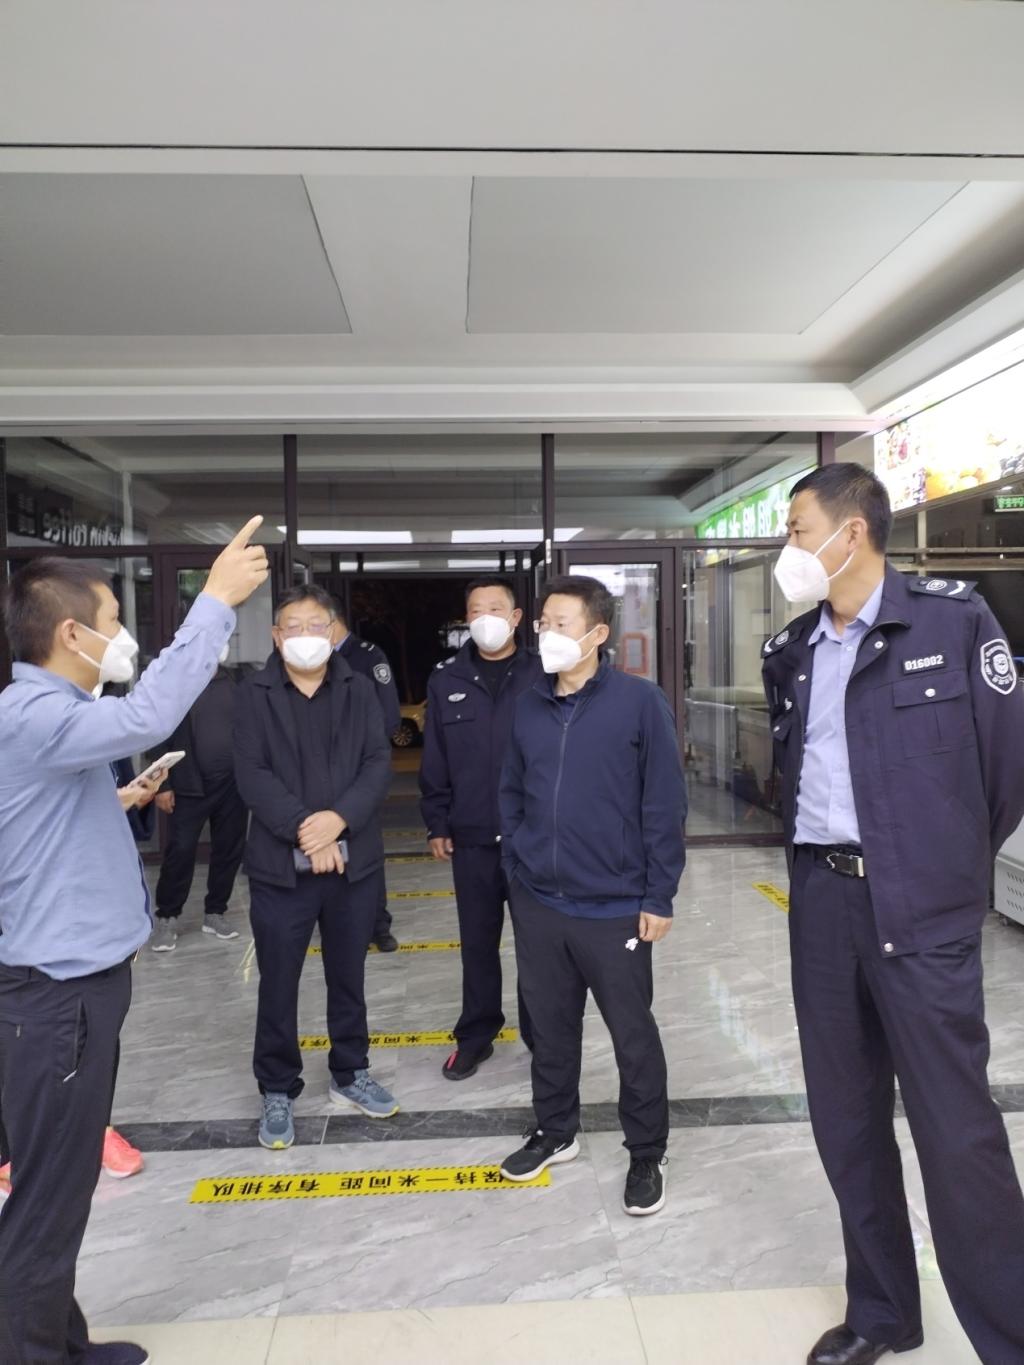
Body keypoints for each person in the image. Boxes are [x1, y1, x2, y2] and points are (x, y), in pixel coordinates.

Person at [762, 463, 1024, 1365]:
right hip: (821, 901)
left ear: (852, 532)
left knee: (957, 1128)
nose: (789, 548)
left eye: (797, 529)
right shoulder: (791, 649)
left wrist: (941, 868)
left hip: (921, 907)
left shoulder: (954, 622)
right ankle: (882, 1311)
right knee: (845, 1118)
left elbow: (1005, 772)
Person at [0, 519, 268, 1365]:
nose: (124, 636)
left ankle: (59, 1341)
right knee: (48, 1194)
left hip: (72, 986)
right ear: (70, 633)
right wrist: (214, 600)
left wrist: (113, 802)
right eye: (114, 619)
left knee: (60, 1180)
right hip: (57, 994)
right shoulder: (34, 712)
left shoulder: (49, 716)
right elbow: (150, 709)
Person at [498, 575, 687, 1217]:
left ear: (598, 633)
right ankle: (556, 1130)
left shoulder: (639, 702)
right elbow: (511, 790)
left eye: (561, 623)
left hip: (615, 906)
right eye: (543, 622)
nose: (546, 633)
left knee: (632, 1036)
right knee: (549, 1029)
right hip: (540, 902)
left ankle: (647, 1151)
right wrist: (517, 865)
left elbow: (664, 803)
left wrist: (658, 895)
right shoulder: (529, 704)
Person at [234, 586, 399, 1152]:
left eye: (315, 624)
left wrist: (339, 820)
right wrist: (311, 830)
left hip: (353, 867)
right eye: (292, 625)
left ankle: (351, 1072)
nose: (304, 635)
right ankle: (277, 1087)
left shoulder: (358, 688)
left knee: (348, 975)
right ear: (276, 635)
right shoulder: (254, 694)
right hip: (281, 869)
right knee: (278, 982)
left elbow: (378, 762)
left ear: (332, 632)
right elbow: (251, 773)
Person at [0, 762, 161, 1200]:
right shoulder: (24, 734)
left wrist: (132, 796)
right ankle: (9, 1149)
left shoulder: (95, 734)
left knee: (99, 1030)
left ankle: (97, 1128)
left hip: (93, 918)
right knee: (18, 1038)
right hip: (29, 920)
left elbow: (104, 816)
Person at [419, 576, 544, 1079]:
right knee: (476, 944)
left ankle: (542, 1038)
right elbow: (435, 757)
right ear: (465, 619)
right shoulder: (446, 678)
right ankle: (476, 1036)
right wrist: (437, 821)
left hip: (534, 836)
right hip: (471, 837)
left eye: (496, 608)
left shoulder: (545, 670)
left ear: (515, 618)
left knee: (538, 945)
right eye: (475, 610)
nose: (485, 618)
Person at [149, 644, 247, 951]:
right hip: (189, 785)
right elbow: (157, 733)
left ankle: (215, 912)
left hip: (233, 785)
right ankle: (167, 917)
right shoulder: (178, 685)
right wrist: (162, 785)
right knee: (180, 851)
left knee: (229, 849)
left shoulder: (238, 679)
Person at [331, 602, 402, 953]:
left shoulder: (368, 656)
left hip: (360, 771)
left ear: (332, 622)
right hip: (323, 772)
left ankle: (377, 924)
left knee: (366, 850)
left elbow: (389, 717)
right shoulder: (314, 662)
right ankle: (337, 922)